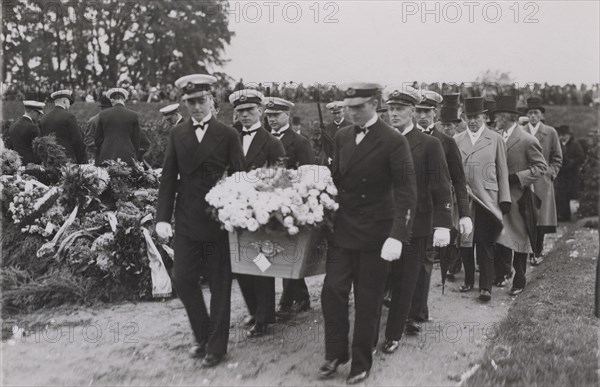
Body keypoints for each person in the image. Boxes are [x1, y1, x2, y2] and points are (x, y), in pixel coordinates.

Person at [319, 83, 417, 384]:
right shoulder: (342, 136)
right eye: (348, 107)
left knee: (368, 300)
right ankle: (336, 352)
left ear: (375, 104)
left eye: (358, 106)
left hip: (377, 234)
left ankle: (361, 362)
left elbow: (406, 192)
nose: (351, 112)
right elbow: (336, 179)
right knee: (331, 291)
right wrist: (322, 194)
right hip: (344, 230)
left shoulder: (392, 141)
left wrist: (397, 235)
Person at [155, 74, 245, 368]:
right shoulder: (177, 134)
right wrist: (162, 218)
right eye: (190, 102)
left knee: (220, 285)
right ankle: (203, 332)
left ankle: (216, 346)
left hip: (218, 219)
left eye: (201, 100)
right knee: (182, 278)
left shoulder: (229, 134)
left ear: (212, 101)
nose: (196, 107)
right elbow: (168, 177)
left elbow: (240, 177)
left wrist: (237, 211)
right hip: (187, 218)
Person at [380, 85, 452, 350]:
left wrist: (443, 222)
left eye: (400, 109)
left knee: (405, 279)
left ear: (412, 111)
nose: (394, 113)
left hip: (417, 223)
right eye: (391, 109)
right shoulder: (381, 140)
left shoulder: (429, 144)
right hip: (384, 222)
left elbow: (441, 185)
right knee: (379, 276)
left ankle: (394, 334)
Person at [229, 89, 285, 338]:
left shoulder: (272, 143)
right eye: (240, 111)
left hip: (262, 213)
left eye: (250, 110)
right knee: (240, 262)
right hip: (234, 210)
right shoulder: (230, 138)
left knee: (262, 263)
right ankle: (254, 310)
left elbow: (282, 179)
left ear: (260, 111)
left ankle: (264, 317)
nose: (245, 115)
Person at [263, 97, 315, 321]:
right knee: (271, 251)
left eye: (276, 115)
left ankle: (286, 302)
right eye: (269, 115)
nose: (272, 119)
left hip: (291, 205)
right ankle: (301, 296)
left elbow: (309, 175)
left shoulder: (299, 141)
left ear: (287, 115)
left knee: (288, 251)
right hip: (266, 204)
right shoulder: (263, 139)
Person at [454, 97, 511, 302]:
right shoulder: (457, 139)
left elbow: (503, 170)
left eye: (476, 117)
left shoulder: (495, 139)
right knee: (466, 241)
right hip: (464, 197)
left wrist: (504, 199)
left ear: (485, 117)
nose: (472, 121)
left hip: (488, 198)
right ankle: (469, 280)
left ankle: (485, 287)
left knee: (486, 242)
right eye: (468, 117)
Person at [493, 95, 547, 296]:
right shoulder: (495, 136)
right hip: (498, 197)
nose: (495, 119)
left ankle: (520, 279)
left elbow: (541, 167)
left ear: (506, 116)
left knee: (520, 238)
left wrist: (517, 178)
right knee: (500, 236)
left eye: (497, 115)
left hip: (519, 198)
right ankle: (503, 273)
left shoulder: (527, 140)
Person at [523, 96, 563, 266]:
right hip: (524, 179)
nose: (533, 116)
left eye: (536, 113)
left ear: (541, 115)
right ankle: (526, 250)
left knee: (540, 218)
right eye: (530, 113)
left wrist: (550, 173)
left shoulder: (550, 132)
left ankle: (537, 251)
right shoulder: (521, 131)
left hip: (542, 181)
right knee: (524, 216)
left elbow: (557, 157)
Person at [94, 88, 142, 166]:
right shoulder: (133, 115)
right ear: (124, 100)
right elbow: (136, 140)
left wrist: (104, 148)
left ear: (112, 100)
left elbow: (97, 139)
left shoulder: (103, 114)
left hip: (106, 156)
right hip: (128, 156)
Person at [40, 90, 87, 164]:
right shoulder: (69, 117)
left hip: (49, 160)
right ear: (65, 101)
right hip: (67, 160)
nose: (69, 106)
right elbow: (78, 141)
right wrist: (81, 160)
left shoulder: (44, 118)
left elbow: (41, 141)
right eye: (69, 103)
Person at [555, 125, 585, 221]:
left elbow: (581, 157)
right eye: (560, 135)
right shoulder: (558, 144)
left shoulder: (575, 144)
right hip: (561, 174)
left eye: (563, 135)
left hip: (572, 174)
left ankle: (570, 215)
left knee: (571, 194)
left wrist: (572, 163)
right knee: (560, 194)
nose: (561, 137)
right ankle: (562, 215)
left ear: (567, 135)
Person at [7, 100, 45, 164]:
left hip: (16, 164)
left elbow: (10, 147)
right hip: (31, 165)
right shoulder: (33, 128)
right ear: (32, 112)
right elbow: (38, 150)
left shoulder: (12, 126)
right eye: (38, 113)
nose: (39, 116)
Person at [85, 96, 112, 161]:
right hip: (98, 156)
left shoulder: (114, 120)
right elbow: (88, 140)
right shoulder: (93, 121)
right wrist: (103, 146)